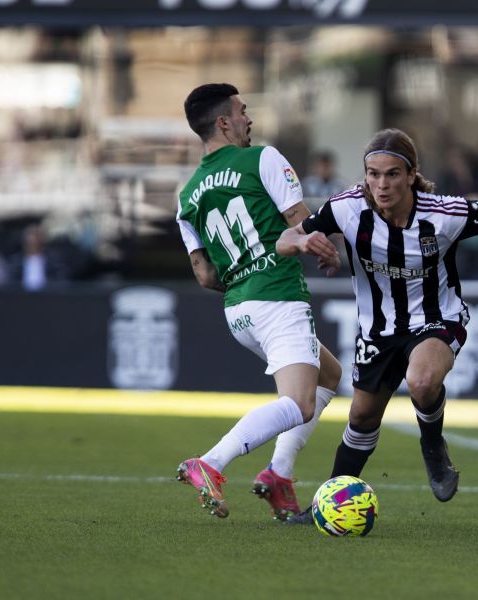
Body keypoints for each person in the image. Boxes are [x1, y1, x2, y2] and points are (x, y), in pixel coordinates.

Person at [277, 128, 478, 521]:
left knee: (423, 380)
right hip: (378, 329)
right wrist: (303, 243)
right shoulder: (345, 208)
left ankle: (433, 448)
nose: (381, 184)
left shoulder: (444, 213)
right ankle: (324, 503)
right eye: (373, 174)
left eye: (392, 174)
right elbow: (285, 239)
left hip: (437, 317)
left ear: (412, 175)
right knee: (361, 417)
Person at [174, 83, 342, 520]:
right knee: (300, 402)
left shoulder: (187, 195)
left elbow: (204, 273)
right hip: (278, 297)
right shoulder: (262, 158)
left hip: (238, 308)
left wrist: (243, 278)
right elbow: (301, 221)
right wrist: (323, 249)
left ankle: (279, 474)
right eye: (243, 111)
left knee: (330, 373)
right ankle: (210, 463)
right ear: (224, 122)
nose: (250, 119)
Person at [9, 223, 69, 290]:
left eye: (37, 235)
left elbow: (60, 280)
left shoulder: (53, 260)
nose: (34, 240)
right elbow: (11, 282)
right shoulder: (16, 261)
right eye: (31, 235)